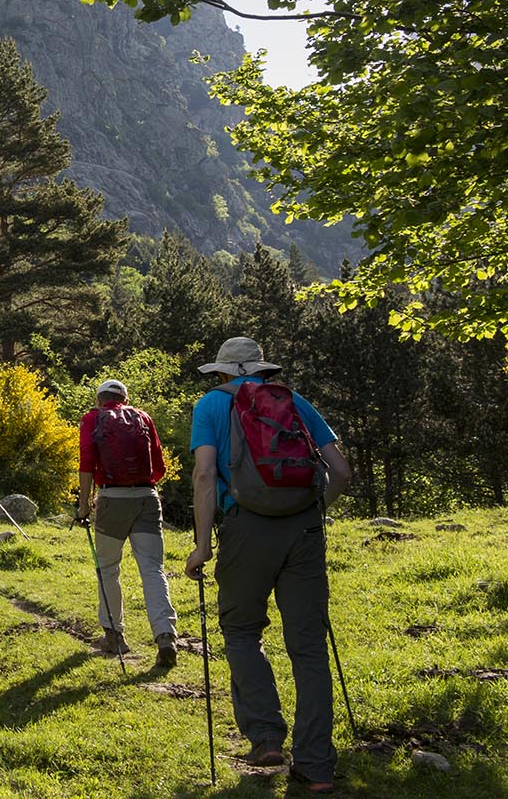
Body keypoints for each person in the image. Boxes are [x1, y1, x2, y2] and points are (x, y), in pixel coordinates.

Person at [183, 337, 353, 795]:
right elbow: (340, 471)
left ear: (222, 373)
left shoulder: (210, 406)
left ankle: (266, 738)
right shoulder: (294, 401)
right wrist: (314, 515)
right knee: (309, 647)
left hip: (244, 528)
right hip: (303, 530)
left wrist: (202, 546)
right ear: (260, 370)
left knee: (241, 630)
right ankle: (317, 765)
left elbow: (203, 475)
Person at [76, 379, 178, 665]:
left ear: (99, 399)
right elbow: (159, 467)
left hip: (111, 499)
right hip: (147, 496)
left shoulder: (92, 419)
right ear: (125, 397)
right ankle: (165, 635)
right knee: (153, 570)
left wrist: (84, 505)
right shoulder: (143, 417)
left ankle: (114, 635)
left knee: (108, 568)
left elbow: (86, 463)